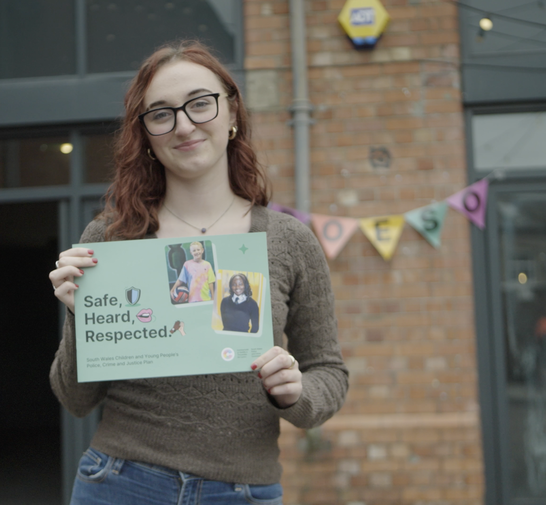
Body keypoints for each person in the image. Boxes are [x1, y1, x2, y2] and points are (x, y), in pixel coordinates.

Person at [48, 40, 347, 505]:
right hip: (120, 482)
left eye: (199, 104)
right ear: (145, 135)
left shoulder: (290, 241)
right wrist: (79, 314)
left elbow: (328, 372)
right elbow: (75, 399)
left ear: (231, 115)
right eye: (161, 114)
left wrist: (297, 391)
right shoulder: (109, 239)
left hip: (243, 491)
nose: (183, 124)